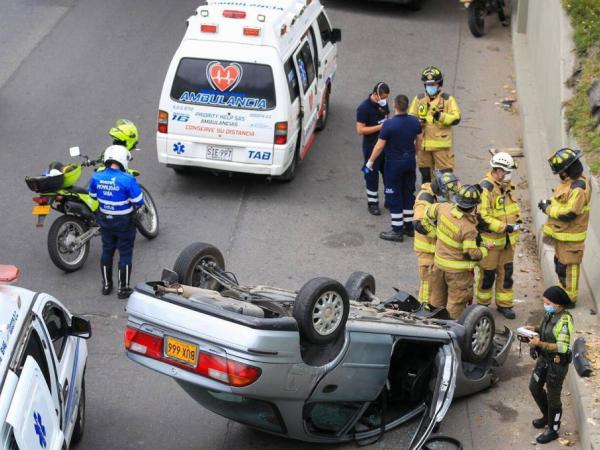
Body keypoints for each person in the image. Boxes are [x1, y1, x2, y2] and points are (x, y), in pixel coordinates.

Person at [424, 184, 492, 319]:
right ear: (474, 206)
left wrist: (437, 230)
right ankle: (450, 333)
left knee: (436, 301)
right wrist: (484, 249)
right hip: (457, 274)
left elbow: (428, 213)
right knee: (455, 305)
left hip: (438, 266)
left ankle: (433, 329)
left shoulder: (443, 208)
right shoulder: (468, 228)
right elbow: (470, 254)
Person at [89, 145, 144, 299]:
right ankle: (123, 289)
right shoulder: (128, 179)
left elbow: (93, 196)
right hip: (124, 222)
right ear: (122, 161)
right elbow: (139, 201)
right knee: (125, 253)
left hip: (105, 220)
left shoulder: (96, 177)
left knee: (107, 250)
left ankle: (106, 286)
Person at [365, 94, 423, 241]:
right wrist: (415, 154)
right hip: (409, 162)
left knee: (394, 195)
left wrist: (370, 161)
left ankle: (397, 230)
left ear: (395, 105)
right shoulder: (414, 121)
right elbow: (419, 140)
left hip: (394, 164)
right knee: (408, 193)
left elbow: (379, 146)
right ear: (407, 106)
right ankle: (408, 227)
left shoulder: (389, 124)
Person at [538, 148, 591, 305]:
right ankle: (563, 292)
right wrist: (548, 202)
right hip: (562, 236)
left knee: (569, 268)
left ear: (567, 170)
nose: (560, 175)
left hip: (571, 239)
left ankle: (570, 299)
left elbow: (569, 213)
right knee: (560, 266)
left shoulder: (578, 188)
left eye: (561, 171)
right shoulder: (568, 184)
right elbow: (562, 201)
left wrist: (548, 209)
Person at [476, 152, 522, 319]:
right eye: (507, 172)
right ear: (498, 170)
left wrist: (518, 221)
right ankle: (482, 306)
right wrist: (504, 227)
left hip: (507, 241)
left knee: (506, 273)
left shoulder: (506, 186)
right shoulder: (485, 188)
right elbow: (482, 217)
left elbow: (512, 209)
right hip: (492, 242)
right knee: (487, 275)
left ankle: (504, 304)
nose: (509, 175)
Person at [527, 285, 574, 444]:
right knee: (534, 386)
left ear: (558, 304)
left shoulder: (565, 321)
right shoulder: (549, 314)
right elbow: (546, 329)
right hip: (544, 360)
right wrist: (533, 329)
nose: (545, 304)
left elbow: (562, 347)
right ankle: (546, 416)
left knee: (553, 397)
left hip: (556, 365)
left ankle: (553, 429)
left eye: (547, 302)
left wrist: (539, 343)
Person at [413, 172, 460, 304]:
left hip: (438, 249)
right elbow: (419, 224)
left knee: (438, 284)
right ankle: (424, 311)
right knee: (428, 285)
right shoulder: (425, 199)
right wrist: (440, 235)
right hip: (428, 249)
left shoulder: (444, 192)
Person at [408, 67, 461, 184]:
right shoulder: (419, 99)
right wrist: (418, 122)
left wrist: (440, 116)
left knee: (446, 178)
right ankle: (427, 199)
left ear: (439, 85)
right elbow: (410, 117)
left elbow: (456, 118)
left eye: (433, 84)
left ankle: (444, 201)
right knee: (425, 176)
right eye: (427, 84)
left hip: (441, 146)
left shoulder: (448, 100)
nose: (430, 87)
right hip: (423, 145)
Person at [356, 82, 390, 215]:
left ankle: (389, 200)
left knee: (388, 175)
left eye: (386, 97)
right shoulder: (364, 108)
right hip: (371, 148)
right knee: (371, 176)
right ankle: (373, 203)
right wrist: (380, 127)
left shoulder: (384, 104)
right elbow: (360, 130)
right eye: (383, 97)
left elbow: (387, 117)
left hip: (385, 147)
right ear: (375, 94)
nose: (384, 100)